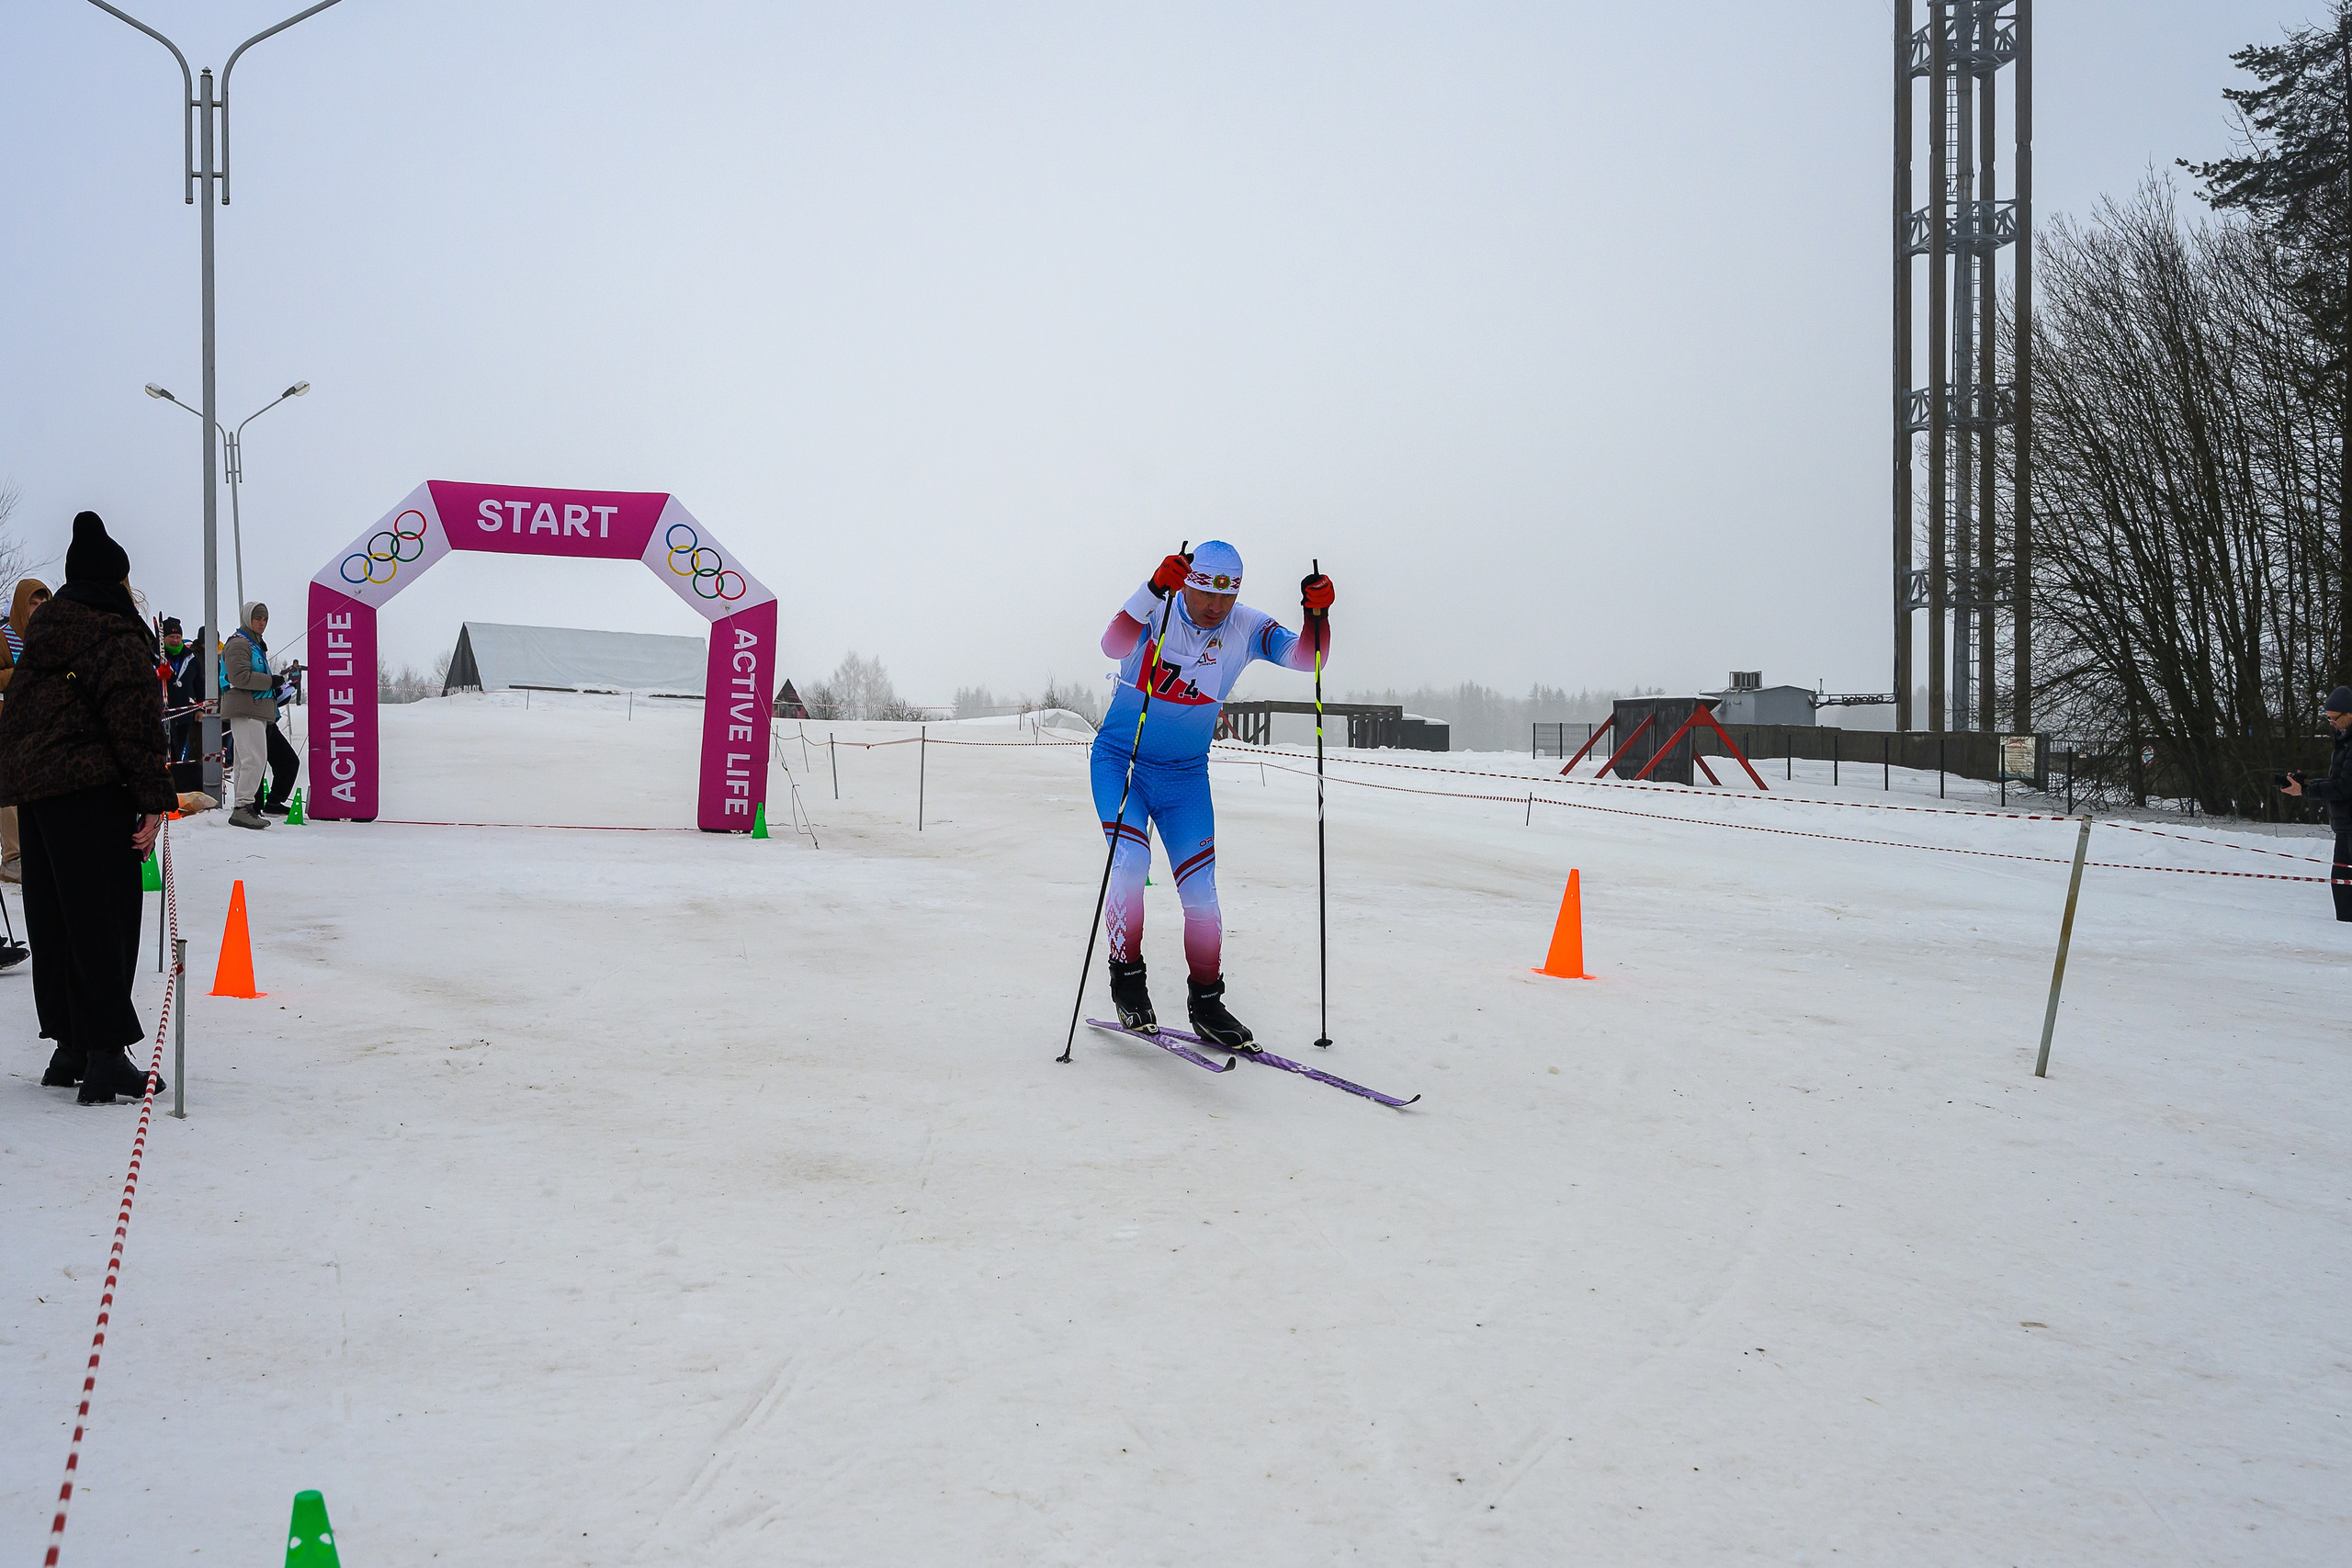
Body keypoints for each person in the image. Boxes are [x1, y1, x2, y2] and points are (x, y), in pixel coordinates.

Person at [1089, 540, 1334, 1050]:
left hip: (1184, 777)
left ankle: (1206, 1002)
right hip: (1122, 762)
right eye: (1206, 595)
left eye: (1227, 597)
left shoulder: (1243, 626)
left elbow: (1309, 658)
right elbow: (1113, 645)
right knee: (1132, 864)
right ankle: (1127, 980)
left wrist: (1317, 614)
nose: (1216, 608)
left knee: (1201, 895)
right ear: (1189, 585)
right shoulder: (1159, 607)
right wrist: (1153, 587)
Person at [0, 513, 208, 1102]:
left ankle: (69, 1043)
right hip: (91, 794)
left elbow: (18, 719)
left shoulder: (43, 636)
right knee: (105, 919)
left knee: (56, 918)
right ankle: (105, 1055)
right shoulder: (116, 636)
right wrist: (151, 802)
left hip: (39, 798)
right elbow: (136, 725)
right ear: (115, 580)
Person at [2280, 684, 2352, 920]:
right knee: (2341, 886)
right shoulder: (2344, 740)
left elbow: (2344, 786)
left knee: (2344, 888)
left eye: (2334, 718)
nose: (2330, 723)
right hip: (2345, 824)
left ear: (2350, 714)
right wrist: (2307, 784)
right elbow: (2338, 780)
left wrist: (2305, 791)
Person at [0, 577, 53, 886]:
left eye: (43, 601)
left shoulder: (51, 636)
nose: (38, 608)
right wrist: (22, 671)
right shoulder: (5, 637)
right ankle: (12, 857)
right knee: (9, 791)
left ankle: (36, 852)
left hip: (43, 725)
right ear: (22, 604)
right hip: (9, 725)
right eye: (33, 602)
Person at [220, 601, 279, 829]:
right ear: (247, 619)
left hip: (255, 709)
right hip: (246, 709)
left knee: (248, 760)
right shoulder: (239, 644)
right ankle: (243, 807)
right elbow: (239, 677)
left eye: (265, 619)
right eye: (258, 618)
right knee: (254, 759)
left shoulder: (255, 645)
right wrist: (270, 681)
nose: (262, 623)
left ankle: (243, 806)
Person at [159, 615, 201, 764]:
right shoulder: (155, 656)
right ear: (163, 638)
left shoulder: (190, 658)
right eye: (171, 636)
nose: (175, 640)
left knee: (178, 750)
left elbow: (199, 683)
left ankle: (176, 781)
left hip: (184, 712)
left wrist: (199, 707)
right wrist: (157, 674)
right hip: (161, 713)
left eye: (178, 637)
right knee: (162, 751)